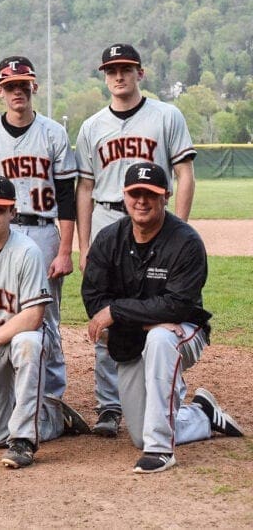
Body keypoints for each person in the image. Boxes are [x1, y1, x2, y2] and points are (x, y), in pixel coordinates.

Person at [82, 163, 242, 472]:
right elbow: (94, 300)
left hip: (185, 331)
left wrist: (117, 312)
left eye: (150, 194)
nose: (142, 201)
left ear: (165, 196)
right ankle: (201, 415)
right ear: (125, 196)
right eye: (135, 193)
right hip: (131, 339)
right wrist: (136, 318)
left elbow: (177, 307)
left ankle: (161, 451)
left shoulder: (186, 242)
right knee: (141, 433)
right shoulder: (108, 239)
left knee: (160, 337)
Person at [75, 43, 198, 438]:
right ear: (104, 76)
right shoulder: (92, 126)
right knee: (104, 311)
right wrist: (83, 243)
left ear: (139, 73)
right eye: (111, 69)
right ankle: (108, 406)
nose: (118, 75)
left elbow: (184, 174)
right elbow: (85, 187)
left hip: (153, 215)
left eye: (126, 68)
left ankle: (169, 395)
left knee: (159, 315)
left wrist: (177, 228)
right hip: (108, 217)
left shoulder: (166, 115)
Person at [0, 175, 89, 469]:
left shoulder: (27, 251)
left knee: (28, 343)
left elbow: (33, 316)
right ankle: (52, 415)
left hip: (19, 338)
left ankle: (24, 440)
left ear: (13, 211)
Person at [0, 56, 76, 400]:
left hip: (42, 230)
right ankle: (4, 393)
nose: (18, 91)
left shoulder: (54, 132)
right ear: (1, 91)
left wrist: (64, 250)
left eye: (23, 85)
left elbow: (67, 196)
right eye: (10, 86)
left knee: (46, 318)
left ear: (34, 88)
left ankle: (51, 398)